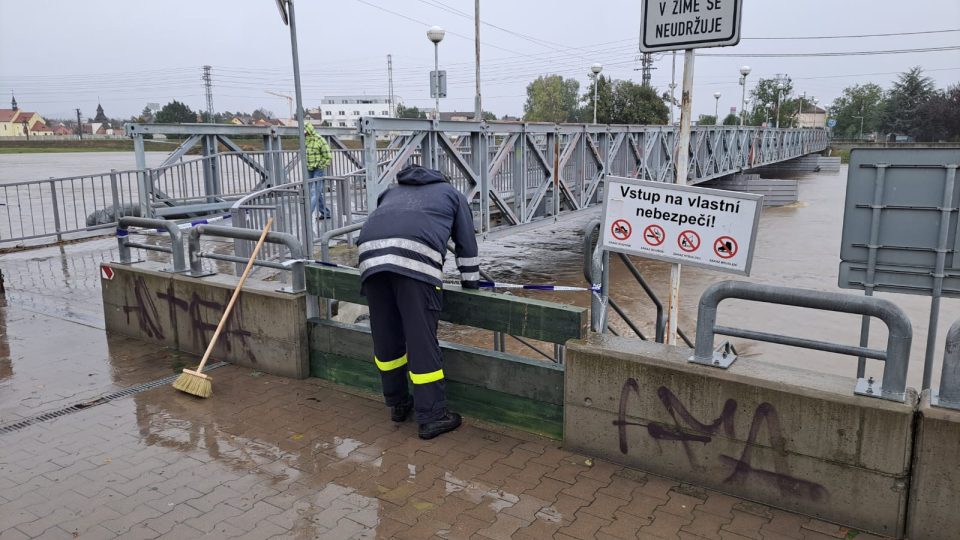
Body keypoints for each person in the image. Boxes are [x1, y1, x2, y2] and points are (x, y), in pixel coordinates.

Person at [357, 164, 480, 440]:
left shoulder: (390, 192)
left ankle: (398, 404)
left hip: (371, 263)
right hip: (414, 267)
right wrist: (471, 281)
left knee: (387, 337)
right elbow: (466, 243)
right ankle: (432, 416)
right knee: (421, 341)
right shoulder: (452, 194)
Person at [304, 122, 332, 219]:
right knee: (317, 192)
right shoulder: (305, 141)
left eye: (306, 131)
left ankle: (307, 215)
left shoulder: (320, 139)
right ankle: (325, 213)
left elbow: (328, 156)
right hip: (309, 168)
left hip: (318, 169)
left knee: (314, 192)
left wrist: (321, 165)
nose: (304, 133)